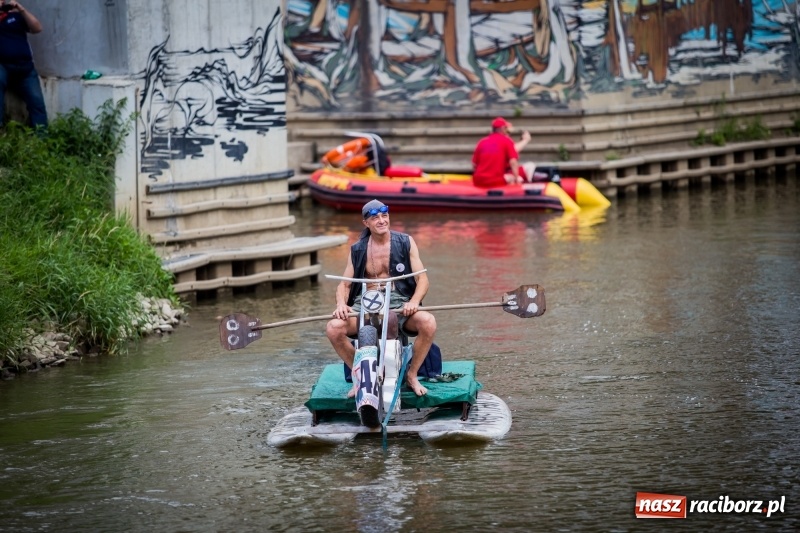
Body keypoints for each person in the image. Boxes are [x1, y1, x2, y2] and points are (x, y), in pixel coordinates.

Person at [326, 199, 437, 396]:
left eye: (384, 216)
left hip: (399, 301)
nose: (381, 221)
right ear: (366, 223)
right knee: (334, 328)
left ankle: (411, 375)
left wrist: (413, 302)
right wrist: (341, 304)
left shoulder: (405, 241)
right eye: (375, 217)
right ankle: (360, 376)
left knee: (428, 322)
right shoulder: (358, 249)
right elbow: (344, 283)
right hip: (366, 302)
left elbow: (423, 280)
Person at [0, 0, 48, 129]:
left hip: (25, 68)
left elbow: (37, 28)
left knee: (37, 102)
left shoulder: (16, 17)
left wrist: (22, 10)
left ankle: (41, 137)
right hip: (3, 66)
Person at [471, 117, 536, 188]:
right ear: (502, 129)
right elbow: (513, 162)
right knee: (519, 176)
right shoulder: (507, 141)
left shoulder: (482, 142)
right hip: (495, 180)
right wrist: (516, 179)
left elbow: (474, 165)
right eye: (506, 129)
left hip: (478, 181)